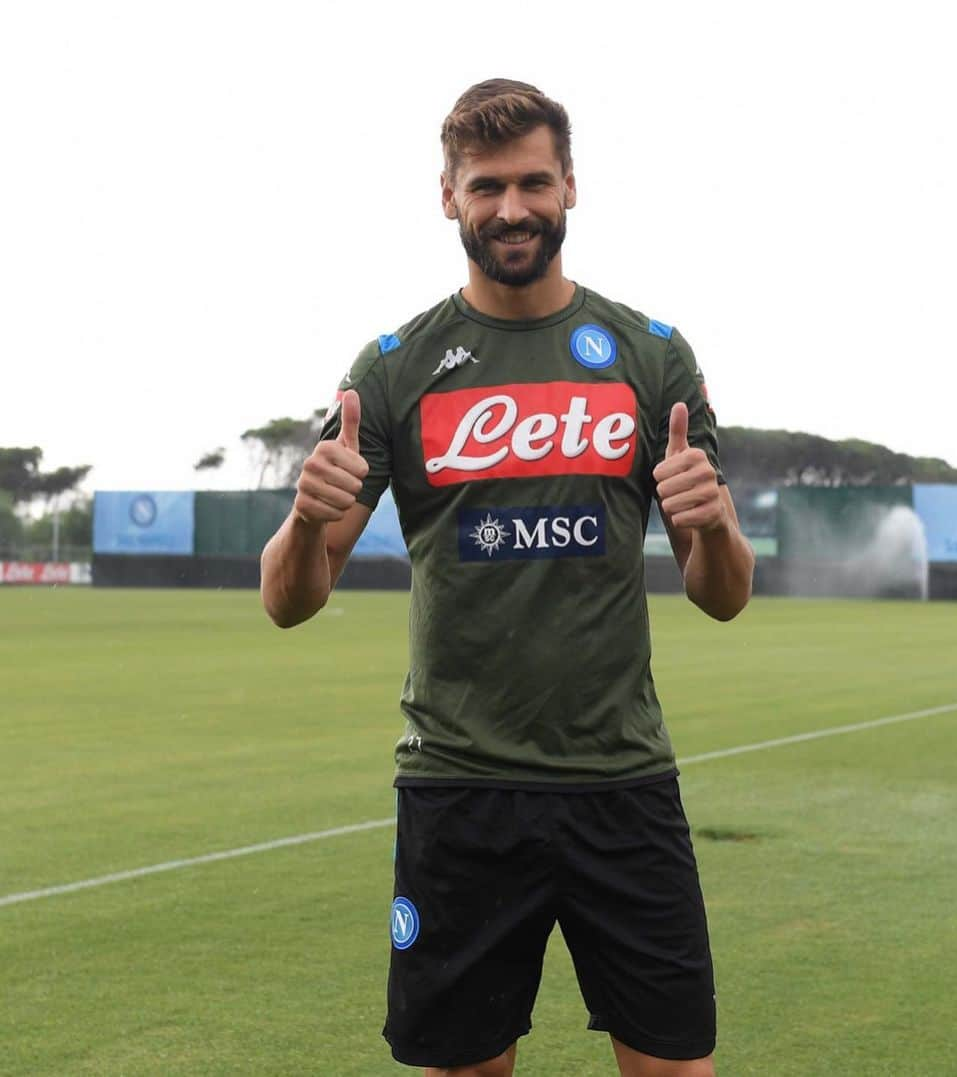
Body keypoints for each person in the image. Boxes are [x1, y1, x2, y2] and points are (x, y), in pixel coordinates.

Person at [260, 79, 755, 1077]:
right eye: (488, 186)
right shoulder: (395, 370)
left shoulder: (651, 358)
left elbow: (723, 592)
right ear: (449, 197)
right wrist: (307, 519)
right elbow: (287, 600)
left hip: (620, 779)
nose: (513, 207)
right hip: (459, 789)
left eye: (534, 181)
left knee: (675, 1066)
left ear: (571, 186)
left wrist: (711, 526)